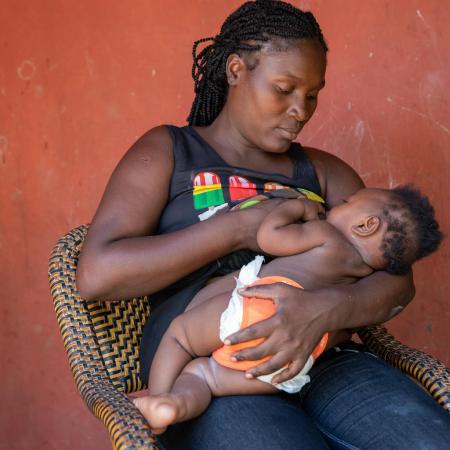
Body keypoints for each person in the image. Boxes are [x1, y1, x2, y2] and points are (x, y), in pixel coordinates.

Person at [77, 1, 450, 448]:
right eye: (284, 88)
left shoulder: (325, 172)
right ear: (236, 70)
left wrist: (324, 310)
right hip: (210, 359)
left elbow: (395, 279)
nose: (301, 110)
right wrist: (242, 228)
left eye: (312, 94)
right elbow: (97, 275)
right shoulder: (170, 151)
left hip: (325, 355)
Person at [132, 186, 443, 434]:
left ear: (365, 225)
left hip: (260, 306)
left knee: (180, 337)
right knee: (205, 377)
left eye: (346, 201)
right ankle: (176, 405)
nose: (335, 206)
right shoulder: (363, 273)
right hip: (296, 356)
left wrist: (296, 207)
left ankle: (160, 401)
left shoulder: (327, 235)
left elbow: (270, 237)